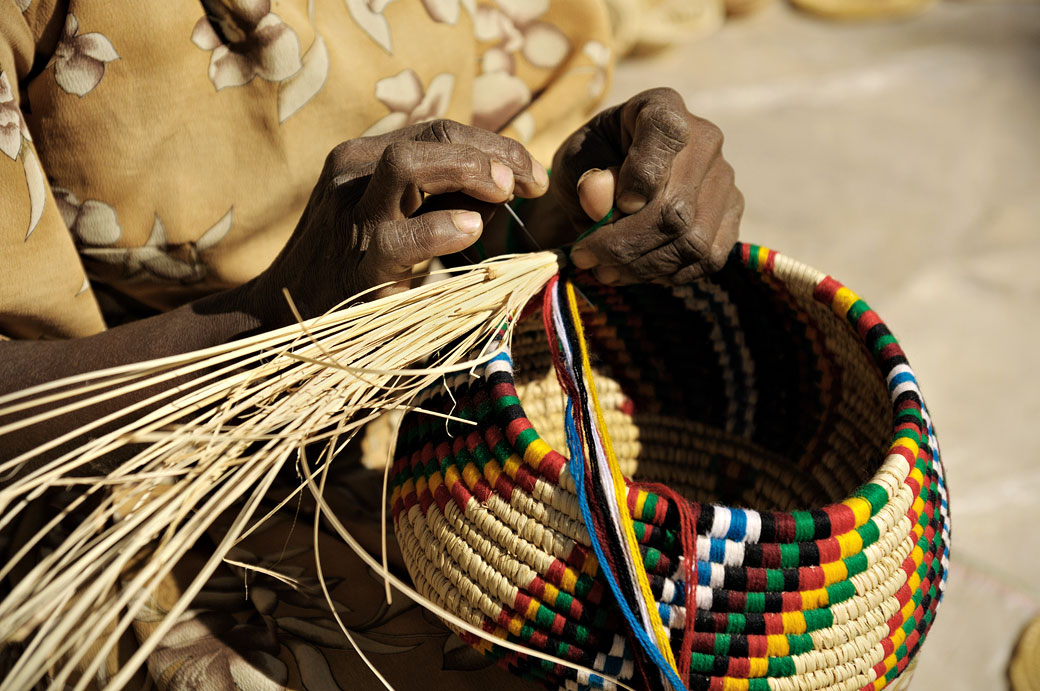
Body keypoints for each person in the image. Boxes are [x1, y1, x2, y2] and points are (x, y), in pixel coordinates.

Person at [0, 1, 742, 688]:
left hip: (437, 384)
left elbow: (509, 147)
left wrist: (559, 204)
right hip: (126, 457)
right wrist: (264, 323)